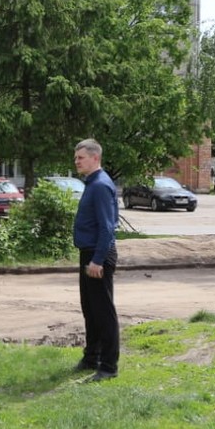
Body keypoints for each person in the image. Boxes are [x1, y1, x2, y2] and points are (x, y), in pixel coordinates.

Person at [71, 138, 121, 381]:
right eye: (76, 158)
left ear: (95, 158)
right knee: (90, 310)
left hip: (98, 255)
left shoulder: (100, 185)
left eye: (81, 158)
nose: (77, 162)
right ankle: (92, 357)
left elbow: (107, 227)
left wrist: (98, 260)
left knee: (103, 312)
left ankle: (108, 367)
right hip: (89, 254)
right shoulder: (92, 184)